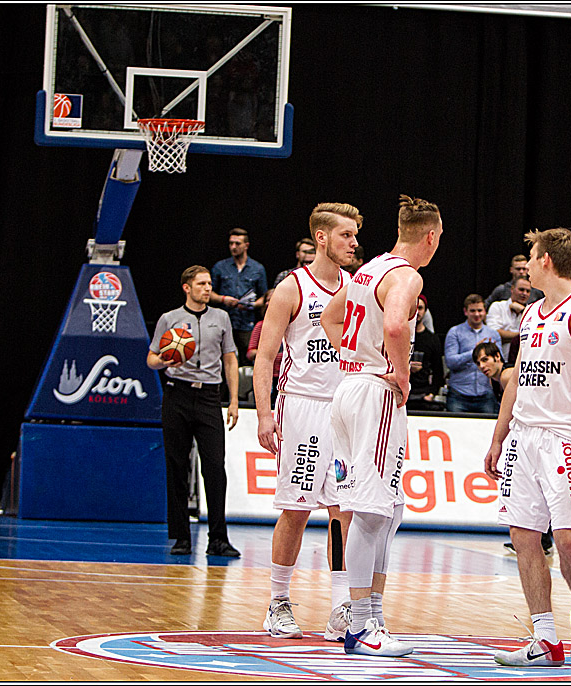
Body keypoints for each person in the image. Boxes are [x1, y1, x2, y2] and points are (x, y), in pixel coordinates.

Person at [321, 194, 443, 657]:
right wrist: (398, 370)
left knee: (387, 510)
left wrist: (354, 356)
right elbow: (395, 327)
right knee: (372, 512)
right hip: (375, 394)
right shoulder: (407, 275)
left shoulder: (368, 269)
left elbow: (330, 318)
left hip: (351, 389)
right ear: (429, 237)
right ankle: (360, 625)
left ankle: (371, 615)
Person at [484, 227, 571, 668]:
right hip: (524, 436)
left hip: (565, 438)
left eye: (531, 256)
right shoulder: (531, 313)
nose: (526, 263)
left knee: (568, 536)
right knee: (522, 535)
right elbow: (518, 377)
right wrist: (499, 437)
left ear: (547, 262)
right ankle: (544, 637)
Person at [253, 202, 360, 641]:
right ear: (322, 237)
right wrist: (264, 412)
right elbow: (264, 356)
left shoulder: (357, 286)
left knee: (344, 510)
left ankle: (341, 608)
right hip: (301, 406)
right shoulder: (292, 288)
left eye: (355, 235)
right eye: (346, 236)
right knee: (296, 510)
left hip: (345, 408)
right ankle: (277, 602)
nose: (354, 243)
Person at [148, 266, 241, 558]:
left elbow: (230, 361)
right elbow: (151, 358)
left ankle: (218, 538)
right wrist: (166, 358)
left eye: (209, 283)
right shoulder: (170, 319)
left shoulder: (221, 317)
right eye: (201, 283)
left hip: (209, 398)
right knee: (176, 465)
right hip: (177, 393)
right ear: (186, 287)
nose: (206, 288)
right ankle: (181, 537)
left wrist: (234, 400)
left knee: (215, 467)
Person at [474, 341, 554, 557]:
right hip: (527, 434)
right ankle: (542, 541)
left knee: (535, 490)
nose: (482, 366)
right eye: (478, 363)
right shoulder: (497, 380)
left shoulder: (508, 376)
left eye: (485, 359)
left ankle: (543, 542)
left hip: (535, 435)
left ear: (498, 357)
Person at [211, 228, 269, 356]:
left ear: (246, 245)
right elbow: (209, 293)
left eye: (237, 244)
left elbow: (264, 296)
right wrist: (223, 299)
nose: (233, 247)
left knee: (246, 357)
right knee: (224, 356)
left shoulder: (257, 268)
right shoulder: (220, 267)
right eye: (231, 243)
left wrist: (252, 305)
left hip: (247, 323)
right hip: (224, 321)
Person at [443, 295, 500, 414]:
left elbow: (499, 363)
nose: (477, 314)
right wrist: (475, 352)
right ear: (465, 311)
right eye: (472, 311)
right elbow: (450, 362)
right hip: (459, 394)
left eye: (480, 310)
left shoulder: (493, 334)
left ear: (485, 311)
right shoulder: (455, 332)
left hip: (486, 394)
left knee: (487, 431)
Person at [407, 295, 445, 411]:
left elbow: (438, 370)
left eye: (421, 308)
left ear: (425, 311)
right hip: (402, 393)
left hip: (424, 394)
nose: (417, 312)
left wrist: (432, 393)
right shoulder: (399, 336)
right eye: (414, 308)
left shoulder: (432, 339)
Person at [247, 289, 282, 402]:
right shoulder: (260, 326)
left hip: (286, 378)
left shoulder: (292, 327)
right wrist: (268, 353)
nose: (268, 303)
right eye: (267, 300)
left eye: (271, 300)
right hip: (267, 376)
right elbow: (250, 353)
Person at [487, 276, 533, 361]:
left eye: (528, 291)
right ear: (512, 289)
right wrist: (522, 335)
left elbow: (534, 336)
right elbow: (493, 333)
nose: (525, 293)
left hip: (523, 362)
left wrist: (523, 311)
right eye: (521, 290)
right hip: (500, 361)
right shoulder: (497, 307)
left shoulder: (532, 312)